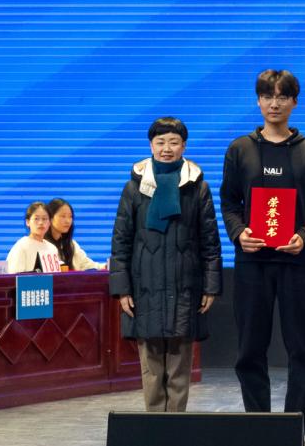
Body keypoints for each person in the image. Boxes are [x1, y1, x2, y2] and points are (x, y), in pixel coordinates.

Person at [220, 69, 305, 445]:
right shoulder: (240, 149)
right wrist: (239, 233)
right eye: (267, 96)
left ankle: (299, 429)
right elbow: (229, 202)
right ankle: (259, 427)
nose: (274, 103)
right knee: (250, 350)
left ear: (294, 102)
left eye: (282, 96)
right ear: (258, 101)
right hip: (252, 264)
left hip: (298, 264)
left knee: (301, 350)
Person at [109, 117, 222, 412]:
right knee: (151, 369)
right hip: (144, 288)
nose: (166, 149)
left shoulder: (197, 188)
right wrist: (122, 289)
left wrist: (210, 286)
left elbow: (210, 241)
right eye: (160, 142)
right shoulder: (134, 188)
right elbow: (121, 241)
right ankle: (154, 427)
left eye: (173, 142)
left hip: (185, 288)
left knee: (179, 369)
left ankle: (175, 427)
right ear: (151, 146)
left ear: (184, 146)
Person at [45, 198, 105, 271]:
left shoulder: (71, 244)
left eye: (70, 216)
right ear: (50, 218)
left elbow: (89, 265)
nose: (68, 221)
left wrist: (107, 266)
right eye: (63, 216)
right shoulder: (42, 245)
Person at [7, 201, 61, 273]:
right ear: (28, 222)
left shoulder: (52, 248)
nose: (41, 223)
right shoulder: (21, 246)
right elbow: (13, 275)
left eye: (44, 219)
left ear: (49, 222)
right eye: (36, 219)